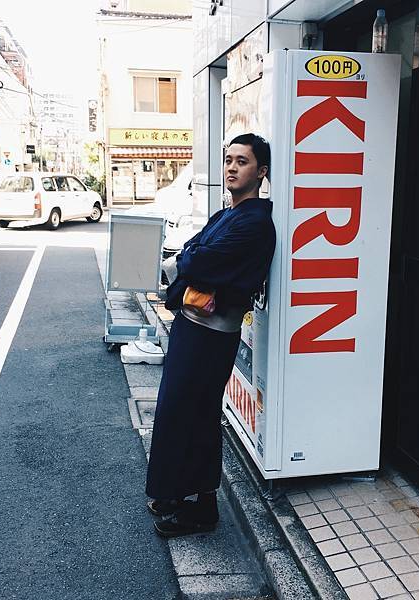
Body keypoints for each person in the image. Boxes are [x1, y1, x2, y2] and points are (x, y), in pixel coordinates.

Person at [145, 133, 276, 538]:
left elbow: (197, 260)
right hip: (194, 326)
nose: (232, 167)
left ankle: (203, 508)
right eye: (229, 160)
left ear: (262, 172)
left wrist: (192, 259)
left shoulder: (256, 223)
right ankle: (174, 493)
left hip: (212, 334)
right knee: (177, 410)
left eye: (243, 161)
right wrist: (193, 258)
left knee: (196, 415)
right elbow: (192, 249)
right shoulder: (226, 214)